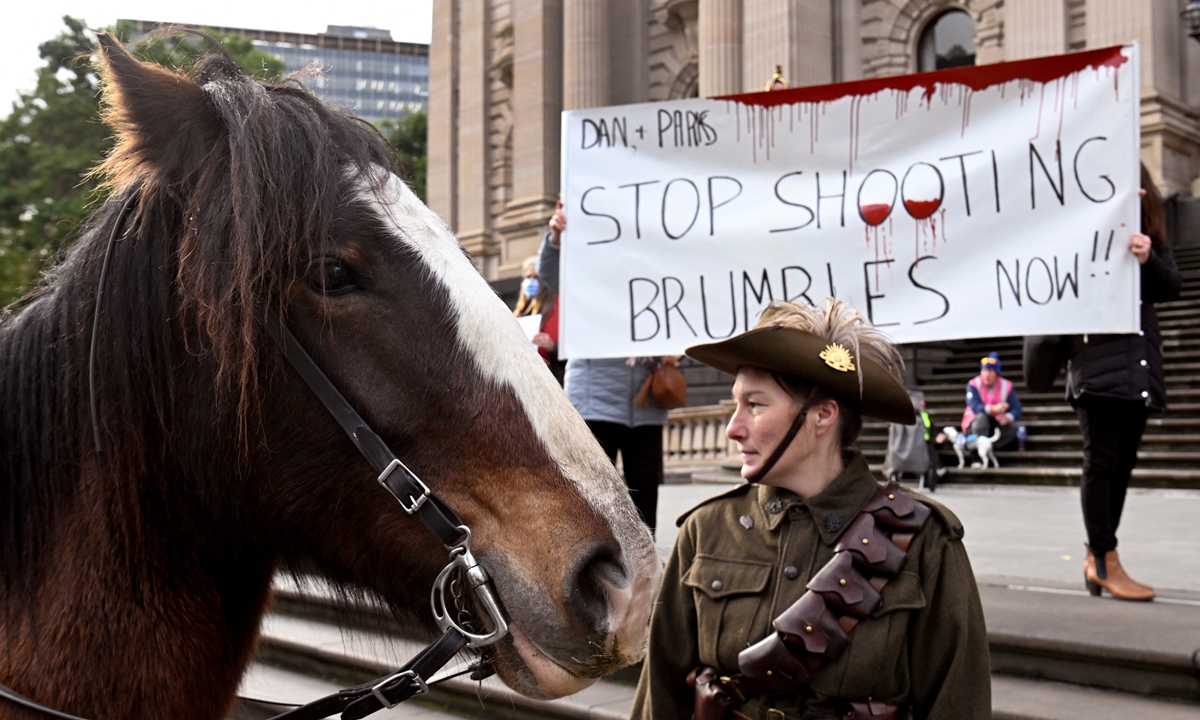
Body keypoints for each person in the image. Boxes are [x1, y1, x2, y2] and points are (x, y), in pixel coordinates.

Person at [631, 299, 990, 720]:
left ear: (822, 415)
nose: (733, 427)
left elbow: (957, 702)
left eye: (756, 405)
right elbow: (661, 696)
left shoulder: (925, 541)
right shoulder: (707, 529)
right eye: (735, 404)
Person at [1025, 164, 1181, 601]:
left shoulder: (1147, 241)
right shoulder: (1082, 233)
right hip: (1096, 367)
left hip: (1138, 369)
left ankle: (1100, 559)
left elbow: (1173, 286)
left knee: (1122, 468)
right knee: (1102, 464)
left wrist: (1147, 257)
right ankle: (1102, 557)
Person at [537, 201, 672, 536]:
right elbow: (551, 272)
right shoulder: (586, 272)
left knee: (646, 490)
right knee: (595, 493)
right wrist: (556, 236)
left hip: (646, 401)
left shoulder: (651, 273)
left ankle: (646, 563)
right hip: (595, 398)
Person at [513, 256, 565, 384]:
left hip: (554, 378)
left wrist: (552, 347)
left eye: (535, 277)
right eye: (528, 277)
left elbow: (569, 354)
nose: (531, 282)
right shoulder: (522, 310)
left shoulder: (559, 307)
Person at [961, 352, 1022, 449]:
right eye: (984, 370)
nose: (987, 374)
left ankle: (991, 447)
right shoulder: (973, 384)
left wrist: (1008, 417)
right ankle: (977, 454)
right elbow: (975, 407)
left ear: (997, 373)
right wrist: (994, 408)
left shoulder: (1007, 385)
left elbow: (1017, 409)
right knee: (981, 419)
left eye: (990, 371)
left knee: (1016, 427)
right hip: (975, 423)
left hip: (996, 422)